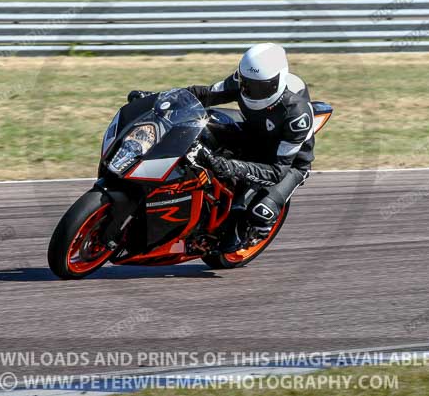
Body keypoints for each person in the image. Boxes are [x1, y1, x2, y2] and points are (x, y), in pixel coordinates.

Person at [128, 43, 315, 252]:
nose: (252, 92)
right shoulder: (240, 81)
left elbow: (276, 171)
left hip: (287, 164)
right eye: (247, 85)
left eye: (261, 88)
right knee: (198, 127)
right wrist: (156, 99)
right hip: (254, 135)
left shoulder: (297, 115)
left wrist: (229, 166)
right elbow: (203, 94)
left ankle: (252, 232)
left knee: (260, 213)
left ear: (278, 82)